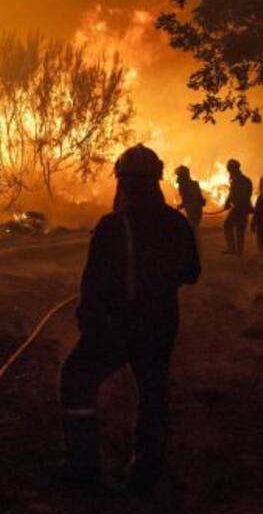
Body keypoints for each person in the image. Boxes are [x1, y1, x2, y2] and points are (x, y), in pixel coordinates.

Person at [58, 144, 201, 495]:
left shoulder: (113, 225)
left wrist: (90, 319)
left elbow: (94, 283)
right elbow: (192, 272)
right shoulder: (176, 223)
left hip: (118, 325)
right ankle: (146, 472)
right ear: (157, 181)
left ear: (122, 183)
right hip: (162, 323)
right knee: (153, 392)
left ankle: (84, 468)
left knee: (76, 379)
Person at [223, 158, 253, 256]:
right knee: (240, 228)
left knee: (227, 225)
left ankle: (232, 249)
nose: (228, 170)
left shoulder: (236, 180)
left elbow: (233, 194)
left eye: (229, 168)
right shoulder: (246, 180)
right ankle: (238, 251)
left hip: (238, 208)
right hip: (245, 207)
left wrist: (227, 203)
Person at [174, 165, 205, 231]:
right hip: (193, 209)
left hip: (194, 210)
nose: (177, 177)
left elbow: (191, 198)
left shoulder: (186, 185)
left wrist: (183, 205)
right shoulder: (192, 184)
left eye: (179, 175)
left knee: (192, 227)